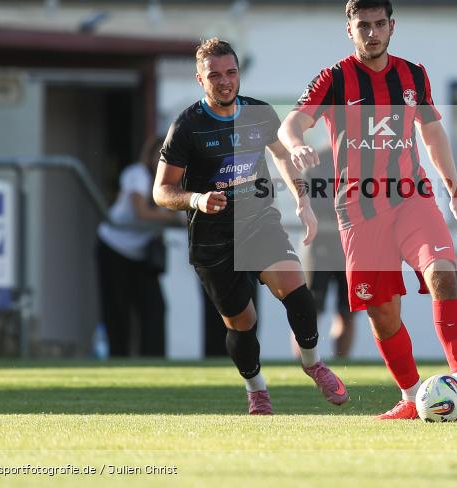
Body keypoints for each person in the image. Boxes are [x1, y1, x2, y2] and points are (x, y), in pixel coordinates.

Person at [279, 0, 457, 419]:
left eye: (380, 24)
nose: (373, 33)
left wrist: (456, 193)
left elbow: (433, 135)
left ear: (392, 27)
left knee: (444, 275)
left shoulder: (414, 76)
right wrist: (297, 144)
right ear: (350, 31)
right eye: (363, 26)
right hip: (359, 212)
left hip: (412, 200)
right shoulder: (335, 79)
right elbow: (293, 122)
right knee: (382, 311)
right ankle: (411, 394)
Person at [153, 38, 348, 414]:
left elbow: (282, 157)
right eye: (214, 75)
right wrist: (196, 199)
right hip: (212, 240)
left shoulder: (259, 114)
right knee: (243, 324)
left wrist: (303, 201)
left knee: (298, 292)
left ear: (239, 73)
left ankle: (313, 363)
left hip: (259, 223)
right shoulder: (187, 126)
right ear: (200, 79)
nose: (224, 81)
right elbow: (162, 191)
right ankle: (256, 388)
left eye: (231, 72)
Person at [96, 135, 175, 357]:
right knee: (117, 309)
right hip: (114, 247)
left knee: (155, 309)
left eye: (167, 155)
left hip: (141, 253)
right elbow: (141, 211)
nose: (162, 161)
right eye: (158, 155)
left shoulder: (175, 181)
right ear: (149, 156)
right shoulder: (137, 174)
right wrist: (172, 216)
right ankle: (118, 359)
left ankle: (153, 362)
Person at [299, 145, 356, 359]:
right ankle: (306, 365)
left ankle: (342, 366)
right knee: (310, 312)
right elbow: (306, 201)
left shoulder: (364, 160)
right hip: (319, 245)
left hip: (350, 248)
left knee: (347, 312)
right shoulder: (315, 160)